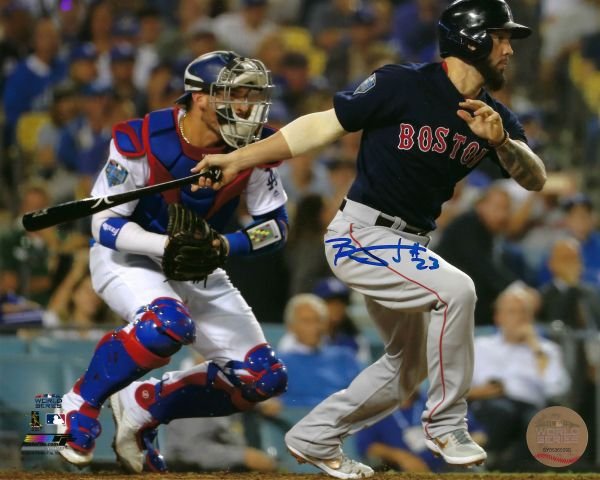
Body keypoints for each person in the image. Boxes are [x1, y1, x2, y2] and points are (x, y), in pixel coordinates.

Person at [194, 1, 547, 478]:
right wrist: (238, 159)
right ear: (472, 39)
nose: (509, 49)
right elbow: (322, 123)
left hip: (410, 247)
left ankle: (315, 435)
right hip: (361, 233)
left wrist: (502, 141)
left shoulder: (494, 117)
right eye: (501, 37)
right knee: (458, 290)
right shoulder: (404, 83)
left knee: (406, 369)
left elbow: (534, 178)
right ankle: (446, 424)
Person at [57, 51, 289, 474]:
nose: (247, 106)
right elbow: (103, 224)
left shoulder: (255, 147)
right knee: (168, 324)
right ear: (200, 98)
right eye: (235, 94)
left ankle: (145, 404)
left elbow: (275, 228)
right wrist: (164, 244)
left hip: (199, 263)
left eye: (251, 95)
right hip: (127, 256)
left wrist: (224, 245)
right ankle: (75, 405)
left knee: (263, 378)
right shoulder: (143, 138)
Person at [469, 286, 570, 470]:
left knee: (540, 423)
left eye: (525, 312)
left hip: (531, 407)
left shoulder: (546, 350)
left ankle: (509, 466)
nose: (520, 317)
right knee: (503, 412)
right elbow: (458, 387)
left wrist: (535, 347)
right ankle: (488, 460)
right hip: (489, 404)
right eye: (513, 312)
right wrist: (480, 392)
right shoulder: (480, 346)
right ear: (498, 317)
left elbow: (557, 388)